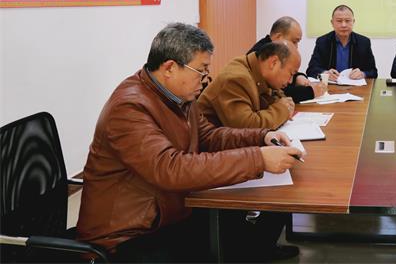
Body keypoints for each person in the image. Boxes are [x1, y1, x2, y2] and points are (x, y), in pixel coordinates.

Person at [77, 23, 303, 262]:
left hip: (168, 212)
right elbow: (170, 168)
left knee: (240, 230)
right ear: (170, 68)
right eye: (201, 70)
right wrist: (258, 159)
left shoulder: (179, 97)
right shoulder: (129, 107)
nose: (205, 79)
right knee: (232, 242)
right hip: (128, 236)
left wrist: (261, 137)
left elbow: (208, 136)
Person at [197, 42, 301, 129]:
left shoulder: (259, 73)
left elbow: (276, 99)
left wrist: (285, 104)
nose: (290, 81)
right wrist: (282, 110)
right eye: (291, 74)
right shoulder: (237, 78)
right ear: (274, 63)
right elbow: (247, 128)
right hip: (208, 145)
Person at [248, 16, 326, 103]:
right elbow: (280, 90)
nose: (296, 47)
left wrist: (297, 76)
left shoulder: (272, 49)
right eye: (294, 41)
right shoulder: (262, 54)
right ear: (278, 37)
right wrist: (311, 92)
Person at [306, 4, 378, 80]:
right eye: (339, 21)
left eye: (347, 21)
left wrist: (363, 74)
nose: (344, 25)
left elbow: (373, 72)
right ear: (332, 23)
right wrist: (325, 73)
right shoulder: (322, 42)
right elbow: (311, 70)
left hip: (354, 85)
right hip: (330, 85)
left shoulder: (363, 42)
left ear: (353, 22)